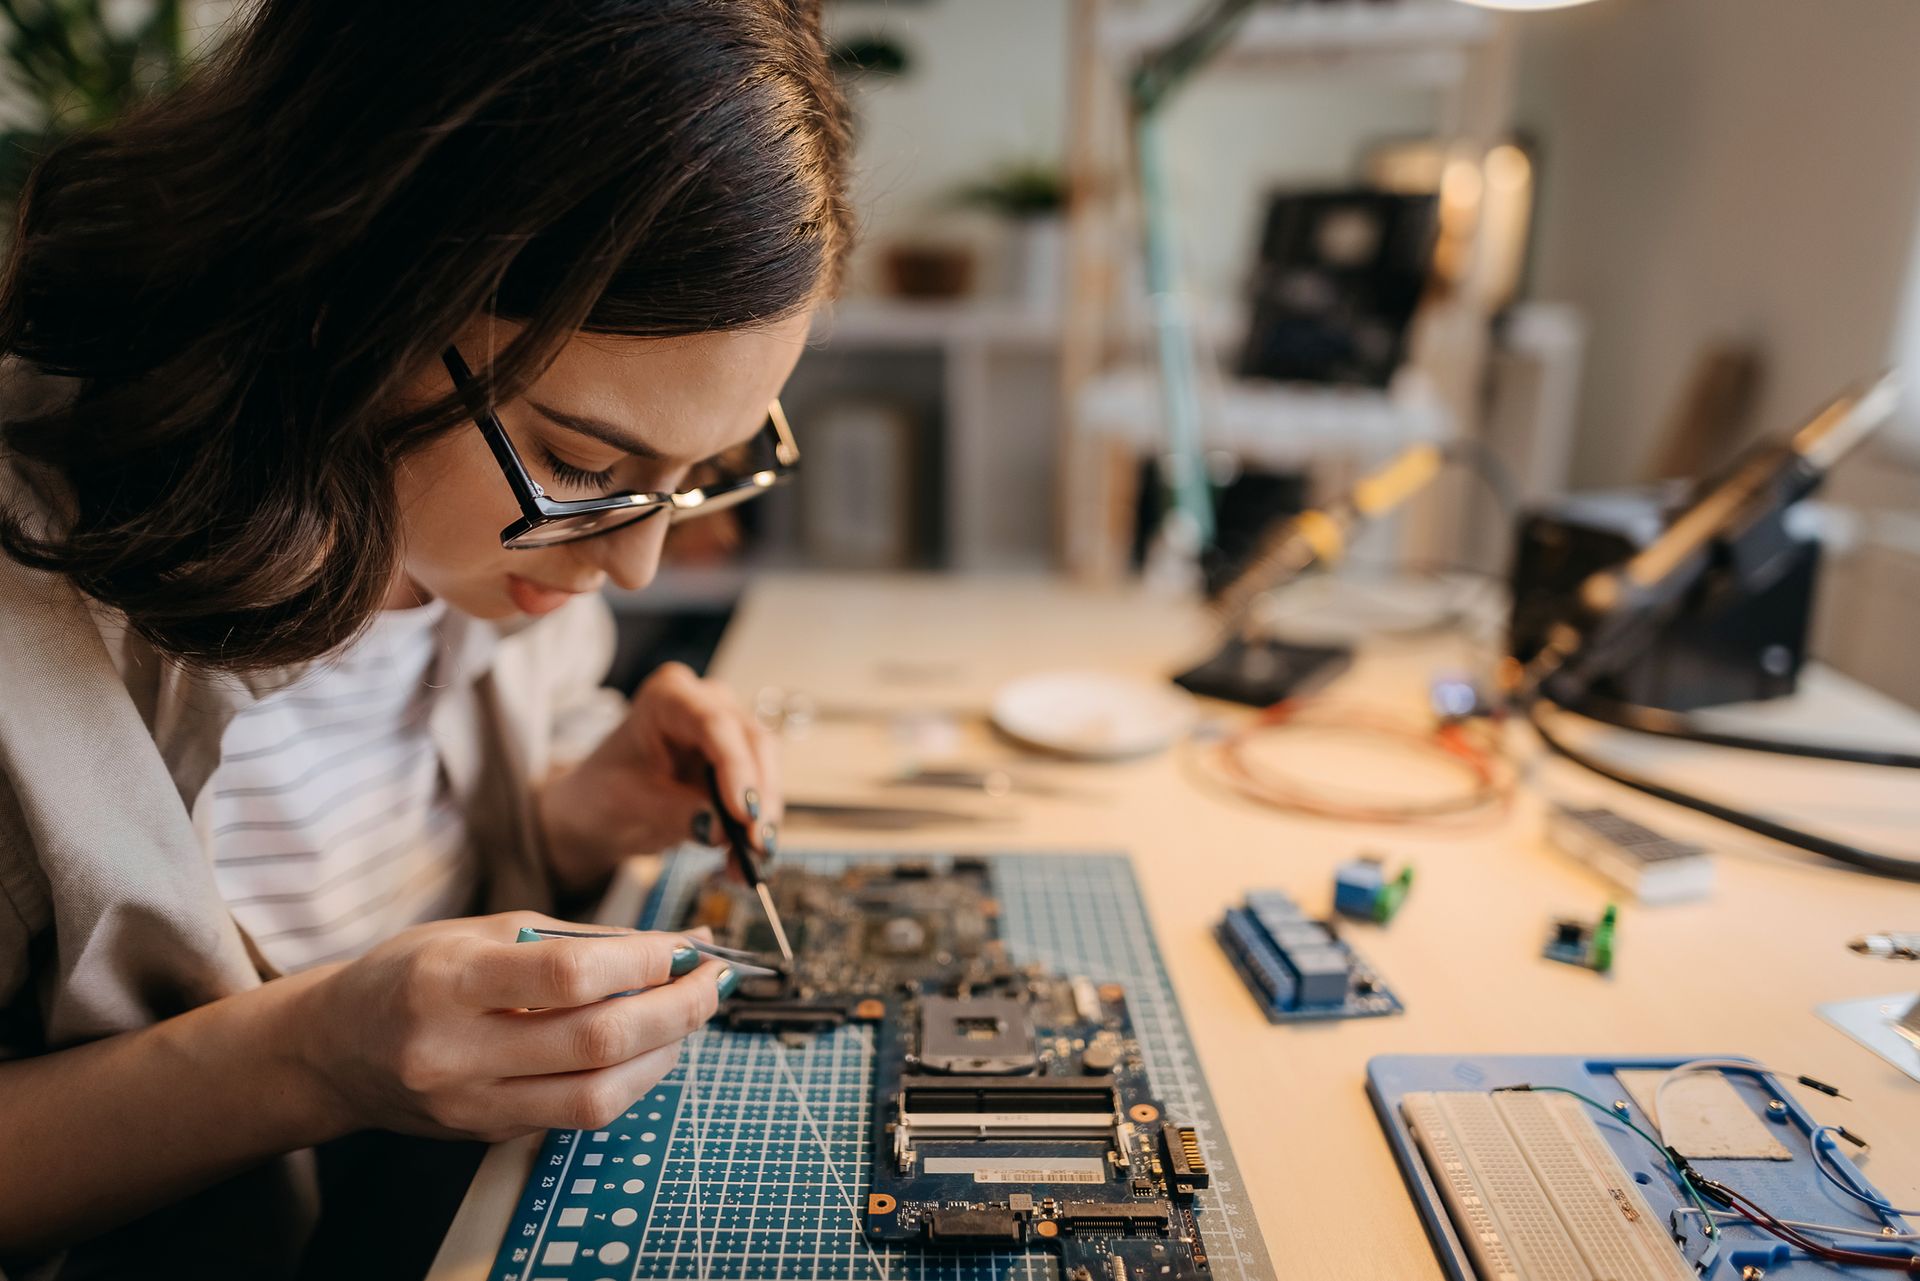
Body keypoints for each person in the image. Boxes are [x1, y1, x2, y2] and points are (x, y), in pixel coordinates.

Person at [0, 1, 851, 1276]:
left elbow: (397, 891)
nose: (635, 562)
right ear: (352, 281)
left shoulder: (477, 551)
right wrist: (305, 1063)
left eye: (707, 470)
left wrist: (566, 817)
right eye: (584, 463)